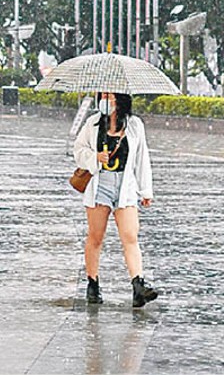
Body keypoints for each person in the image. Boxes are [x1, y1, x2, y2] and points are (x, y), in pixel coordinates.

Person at [73, 91, 158, 308]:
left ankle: (138, 285)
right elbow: (77, 150)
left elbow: (141, 158)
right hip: (100, 185)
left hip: (125, 186)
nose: (105, 101)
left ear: (120, 100)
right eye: (103, 96)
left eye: (110, 97)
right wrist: (94, 158)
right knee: (95, 237)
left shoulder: (134, 125)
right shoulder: (93, 124)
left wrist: (145, 190)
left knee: (130, 236)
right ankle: (92, 283)